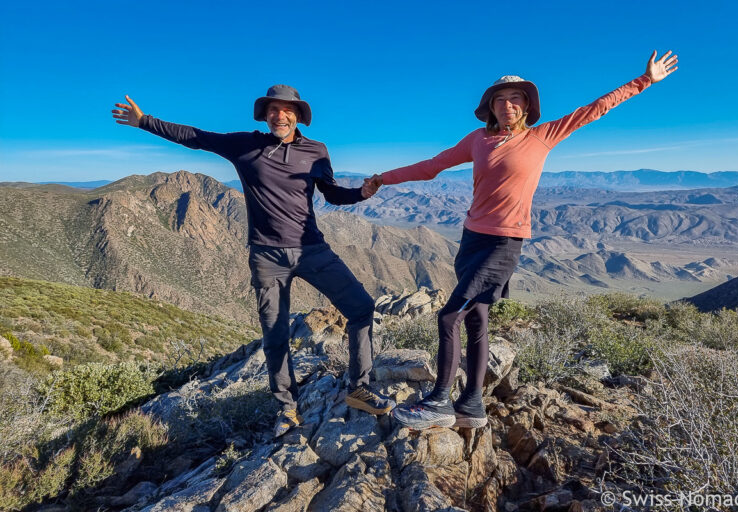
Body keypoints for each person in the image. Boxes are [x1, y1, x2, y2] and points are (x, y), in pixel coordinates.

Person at [362, 51, 678, 430]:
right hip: (471, 239)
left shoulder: (542, 137)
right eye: (500, 99)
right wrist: (385, 178)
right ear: (490, 106)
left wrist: (643, 81)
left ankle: (440, 401)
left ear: (527, 105)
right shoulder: (477, 140)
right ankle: (473, 406)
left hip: (504, 244)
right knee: (476, 319)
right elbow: (433, 165)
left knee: (449, 316)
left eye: (516, 98)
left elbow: (595, 109)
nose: (508, 105)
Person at [113, 84, 396, 437]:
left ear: (298, 115)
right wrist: (144, 122)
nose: (280, 115)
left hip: (312, 250)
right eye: (272, 110)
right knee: (275, 334)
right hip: (266, 256)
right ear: (264, 115)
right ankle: (288, 409)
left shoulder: (316, 151)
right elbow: (196, 136)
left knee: (361, 307)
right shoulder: (246, 145)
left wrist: (360, 193)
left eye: (286, 109)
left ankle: (359, 388)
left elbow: (331, 193)